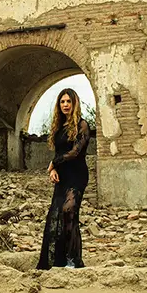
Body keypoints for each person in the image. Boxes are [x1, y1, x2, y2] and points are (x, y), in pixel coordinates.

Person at [38, 88, 91, 269]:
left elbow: (75, 152)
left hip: (77, 175)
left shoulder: (82, 125)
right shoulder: (58, 128)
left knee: (69, 211)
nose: (66, 105)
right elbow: (59, 152)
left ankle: (73, 260)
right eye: (62, 102)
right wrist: (54, 170)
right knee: (57, 215)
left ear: (74, 103)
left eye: (69, 101)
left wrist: (54, 162)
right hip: (63, 176)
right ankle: (57, 261)